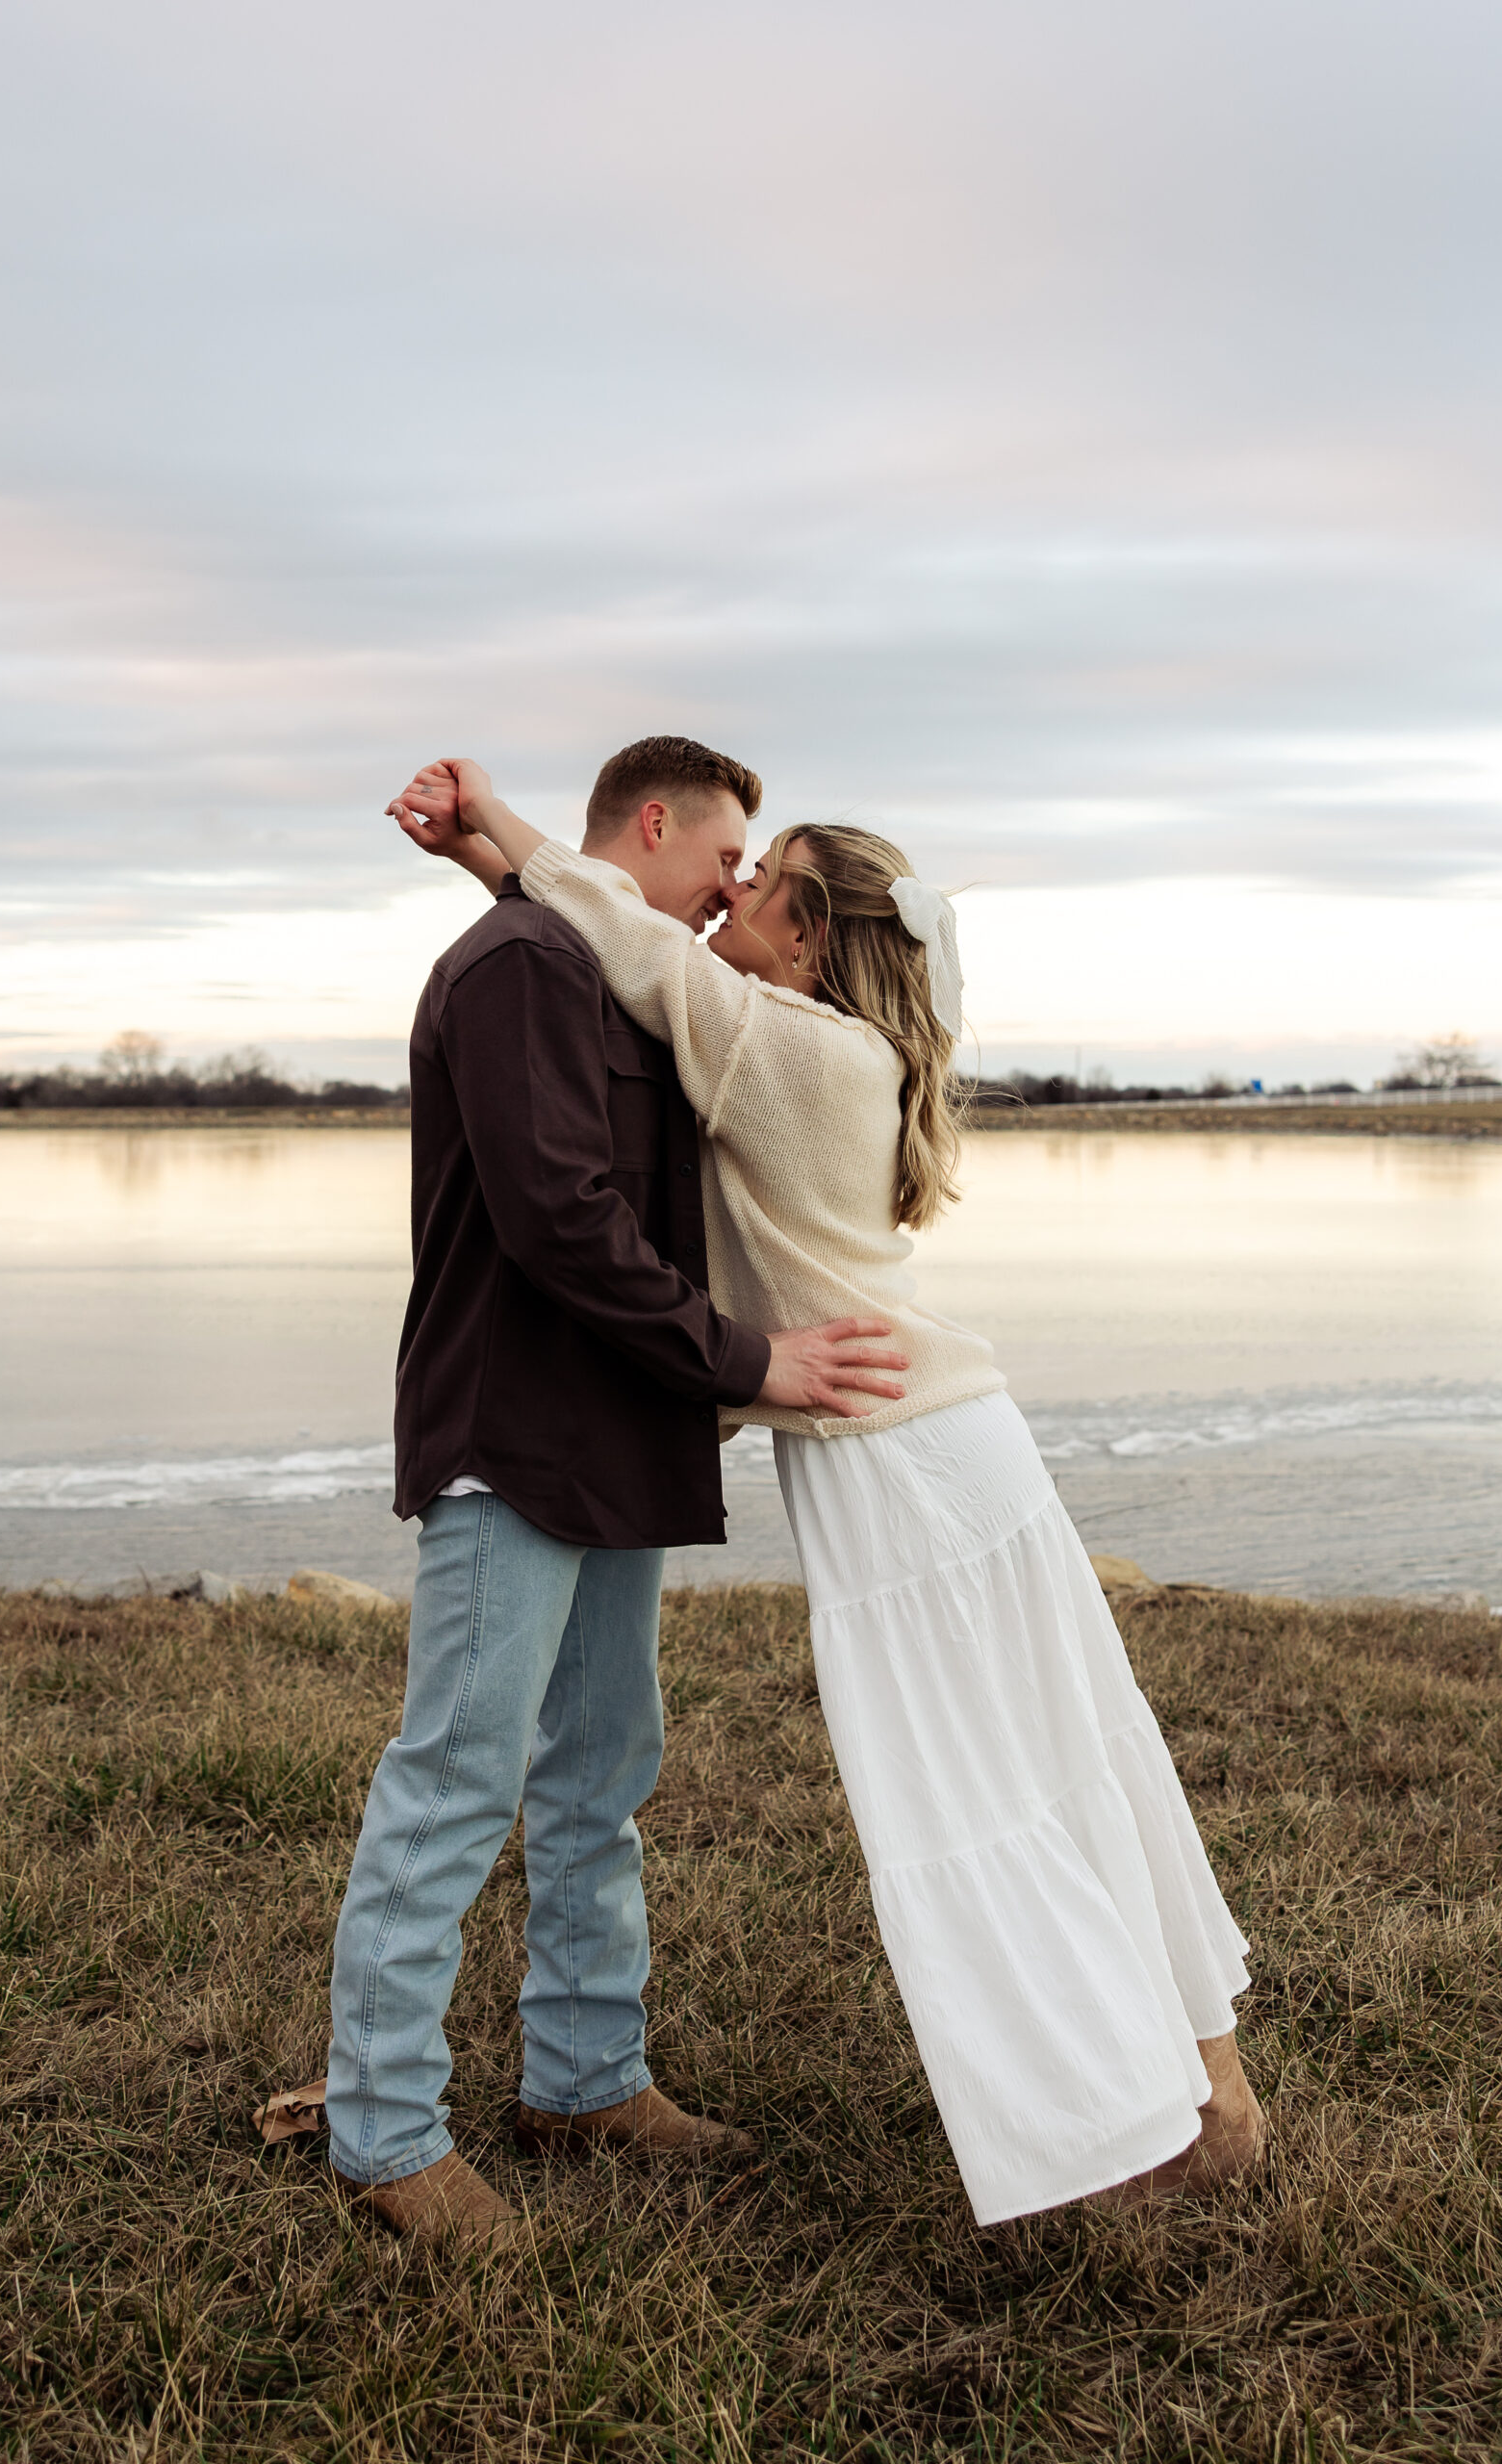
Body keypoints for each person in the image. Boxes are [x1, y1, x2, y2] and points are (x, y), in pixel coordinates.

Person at [394, 751, 1266, 2228]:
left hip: (905, 1466)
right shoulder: (815, 1042)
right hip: (943, 1449)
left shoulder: (788, 1051)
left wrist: (500, 830)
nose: (727, 893)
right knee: (1065, 1756)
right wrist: (496, 870)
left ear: (805, 933)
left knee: (987, 1789)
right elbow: (625, 949)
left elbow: (630, 940)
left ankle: (1142, 2113)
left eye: (758, 876)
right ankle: (1208, 2094)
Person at [311, 736, 908, 2255]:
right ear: (654, 825)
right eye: (726, 863)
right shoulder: (522, 966)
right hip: (515, 1436)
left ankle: (584, 2079)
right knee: (456, 1778)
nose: (732, 897)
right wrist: (750, 1361)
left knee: (600, 1779)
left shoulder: (614, 965)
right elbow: (560, 1221)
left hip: (620, 1440)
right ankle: (381, 2135)